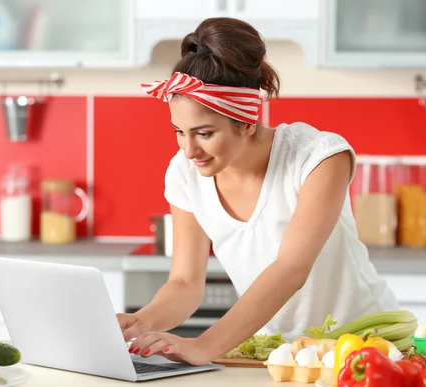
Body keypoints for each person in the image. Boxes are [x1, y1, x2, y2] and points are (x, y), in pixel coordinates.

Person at [116, 17, 399, 366]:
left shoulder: (319, 157)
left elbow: (291, 269)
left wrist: (206, 344)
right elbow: (186, 281)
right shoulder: (184, 172)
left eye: (204, 133)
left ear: (247, 122)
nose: (189, 150)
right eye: (179, 131)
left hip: (364, 345)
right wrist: (144, 320)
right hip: (279, 353)